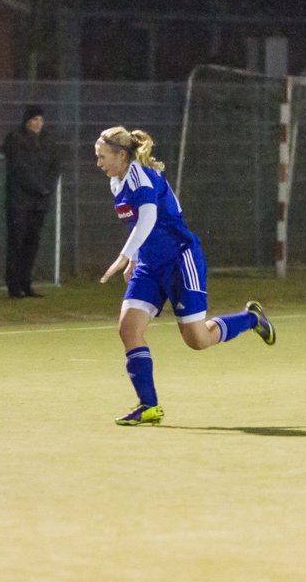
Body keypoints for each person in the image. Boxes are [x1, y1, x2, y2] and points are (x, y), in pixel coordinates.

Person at [95, 125, 275, 426]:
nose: (99, 163)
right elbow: (138, 225)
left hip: (181, 259)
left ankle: (251, 319)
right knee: (128, 329)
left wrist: (125, 254)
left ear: (122, 155)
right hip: (150, 265)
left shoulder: (141, 176)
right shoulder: (117, 181)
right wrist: (136, 259)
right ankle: (149, 406)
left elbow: (150, 216)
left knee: (197, 340)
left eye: (103, 156)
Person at [3, 105, 61, 298]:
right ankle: (14, 286)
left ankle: (26, 283)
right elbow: (19, 168)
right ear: (26, 120)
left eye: (40, 120)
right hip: (20, 201)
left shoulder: (48, 140)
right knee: (16, 243)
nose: (38, 123)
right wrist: (39, 187)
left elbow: (55, 166)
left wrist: (47, 188)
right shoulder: (15, 139)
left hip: (40, 202)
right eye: (35, 119)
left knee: (32, 244)